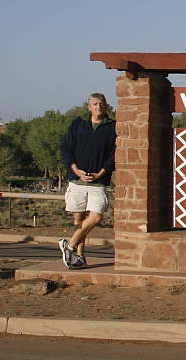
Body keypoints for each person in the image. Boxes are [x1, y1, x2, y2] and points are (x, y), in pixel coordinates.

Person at [59, 93, 116, 269]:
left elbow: (115, 153)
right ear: (89, 107)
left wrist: (101, 173)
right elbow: (66, 148)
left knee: (96, 216)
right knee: (78, 218)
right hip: (77, 180)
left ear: (106, 106)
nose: (98, 106)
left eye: (101, 103)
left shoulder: (112, 127)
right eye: (95, 103)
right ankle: (79, 256)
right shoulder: (78, 124)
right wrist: (75, 169)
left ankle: (69, 245)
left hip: (98, 182)